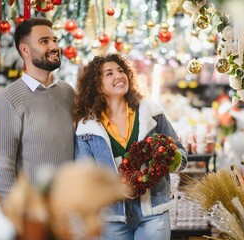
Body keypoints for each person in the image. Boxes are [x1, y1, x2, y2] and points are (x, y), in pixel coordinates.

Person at [74, 54, 187, 240]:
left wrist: (170, 157)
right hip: (112, 218)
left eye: (120, 70)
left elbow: (182, 155)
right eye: (109, 73)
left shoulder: (152, 112)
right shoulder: (87, 127)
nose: (118, 76)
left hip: (153, 213)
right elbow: (85, 176)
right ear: (97, 85)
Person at [0, 18, 76, 201]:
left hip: (70, 207)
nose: (54, 46)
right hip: (34, 213)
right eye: (44, 41)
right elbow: (4, 166)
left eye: (55, 40)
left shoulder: (69, 93)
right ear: (25, 50)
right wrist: (16, 213)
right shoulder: (8, 99)